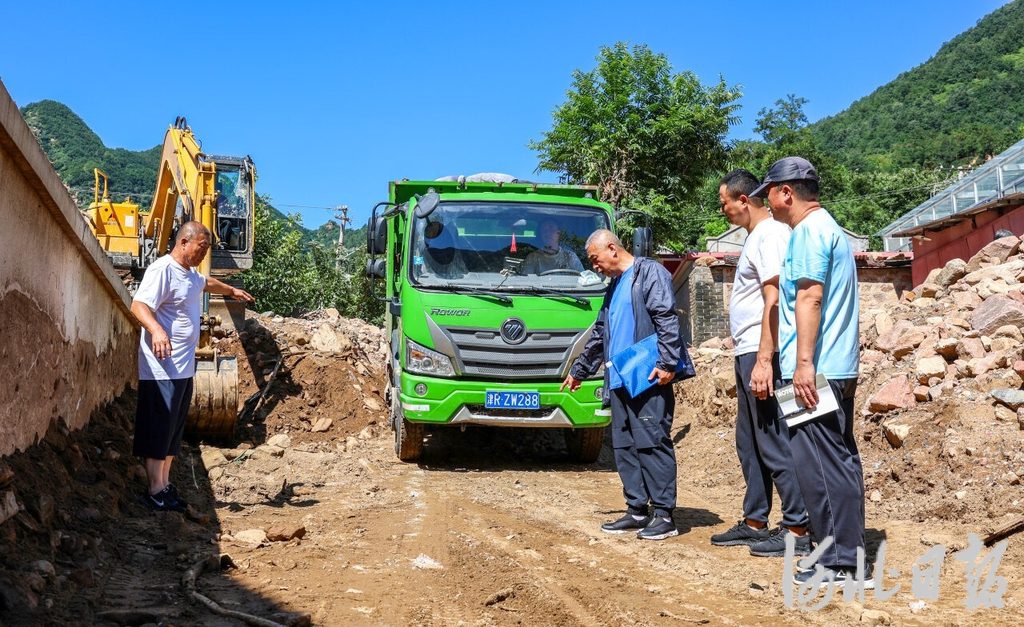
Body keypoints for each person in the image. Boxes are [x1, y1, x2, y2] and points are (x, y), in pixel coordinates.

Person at [750, 157, 870, 588]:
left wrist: (802, 364)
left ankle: (841, 563)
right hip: (835, 367)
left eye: (768, 194)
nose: (766, 203)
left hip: (815, 371)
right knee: (837, 460)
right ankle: (844, 554)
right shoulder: (829, 228)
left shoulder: (807, 232)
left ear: (787, 192)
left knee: (819, 464)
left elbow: (809, 298)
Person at [709, 169, 810, 557]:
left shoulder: (770, 234)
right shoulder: (757, 237)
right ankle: (755, 521)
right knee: (749, 441)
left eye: (724, 203)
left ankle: (798, 526)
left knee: (774, 438)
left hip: (765, 351)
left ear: (743, 199)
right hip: (748, 351)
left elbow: (775, 297)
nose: (723, 210)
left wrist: (765, 359)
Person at [561, 230, 682, 540]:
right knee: (625, 446)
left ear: (612, 249)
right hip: (619, 380)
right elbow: (600, 332)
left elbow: (666, 317)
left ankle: (664, 515)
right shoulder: (614, 286)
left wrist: (668, 362)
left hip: (647, 377)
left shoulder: (648, 272)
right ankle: (637, 510)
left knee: (652, 441)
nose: (594, 266)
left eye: (595, 258)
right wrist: (580, 370)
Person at [131, 221, 254, 512]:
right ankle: (155, 490)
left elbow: (207, 283)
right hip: (161, 369)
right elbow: (139, 305)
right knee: (159, 428)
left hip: (183, 369)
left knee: (173, 431)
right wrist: (157, 331)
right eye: (201, 247)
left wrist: (231, 290)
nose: (203, 254)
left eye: (207, 249)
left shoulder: (189, 275)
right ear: (184, 242)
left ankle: (164, 484)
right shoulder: (162, 270)